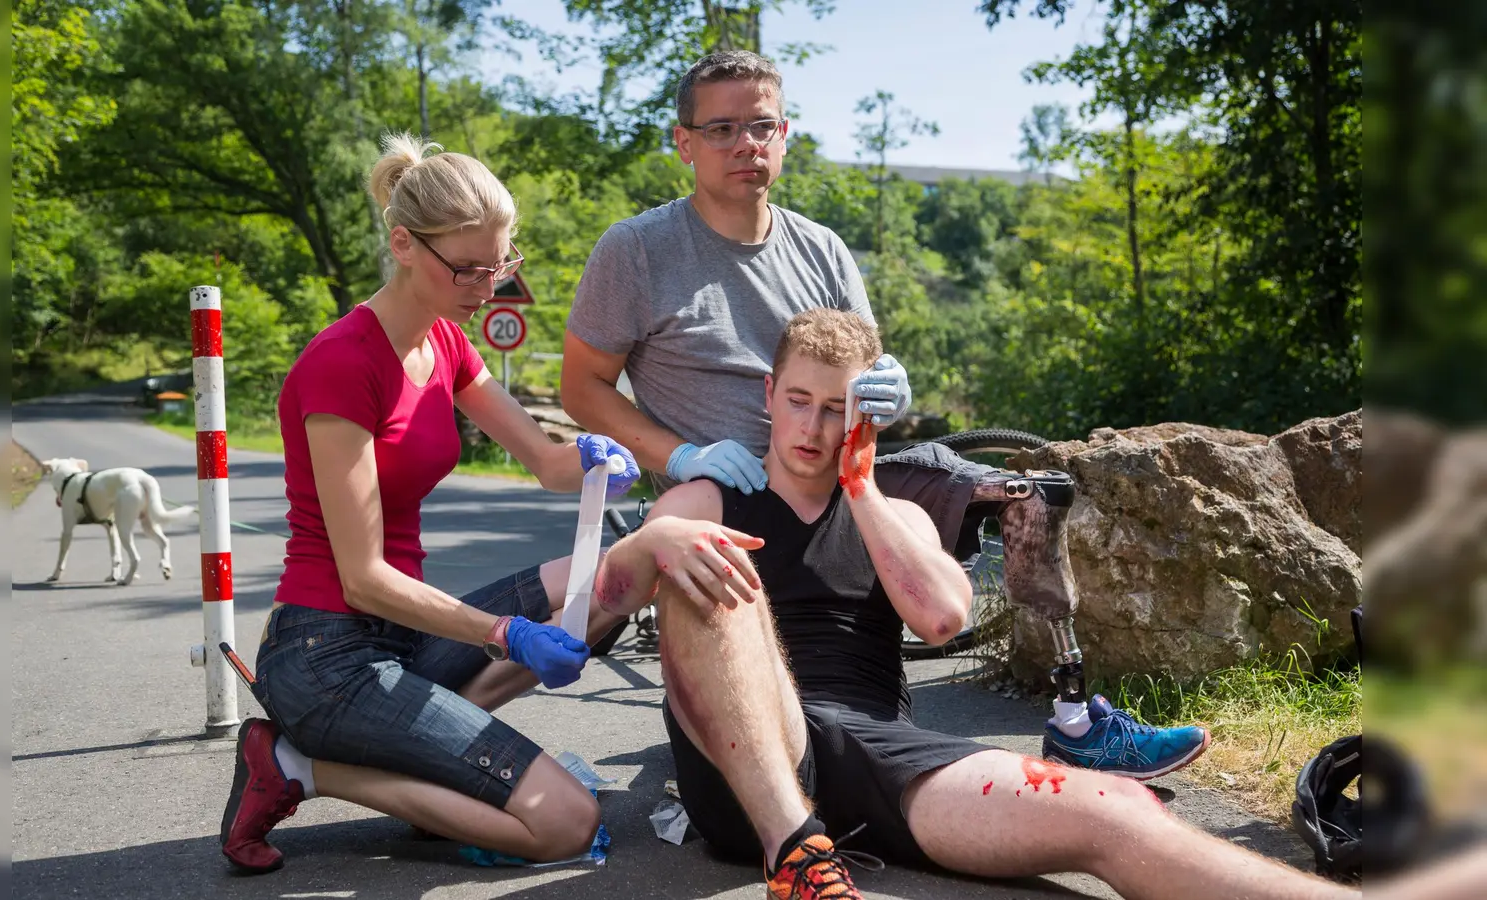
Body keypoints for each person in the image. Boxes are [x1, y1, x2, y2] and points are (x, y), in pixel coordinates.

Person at [562, 48, 1207, 779]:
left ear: (786, 134)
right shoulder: (638, 251)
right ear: (683, 143)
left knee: (1025, 492)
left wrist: (886, 389)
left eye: (762, 125)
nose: (745, 144)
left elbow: (860, 360)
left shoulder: (824, 251)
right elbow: (582, 387)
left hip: (840, 469)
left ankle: (1072, 715)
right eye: (721, 129)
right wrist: (682, 457)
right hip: (731, 486)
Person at [591, 309, 1356, 900]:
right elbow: (610, 597)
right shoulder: (707, 495)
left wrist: (861, 487)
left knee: (1116, 814)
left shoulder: (895, 511)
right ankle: (792, 847)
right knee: (699, 553)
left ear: (867, 415)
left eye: (836, 409)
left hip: (872, 752)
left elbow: (942, 618)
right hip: (746, 765)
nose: (813, 427)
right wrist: (663, 542)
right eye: (798, 401)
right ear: (768, 395)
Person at [216, 134, 641, 874]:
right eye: (468, 269)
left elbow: (544, 462)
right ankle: (297, 763)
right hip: (327, 659)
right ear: (405, 243)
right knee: (566, 822)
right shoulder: (342, 365)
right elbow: (363, 581)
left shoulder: (446, 342)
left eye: (500, 264)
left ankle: (442, 765)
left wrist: (590, 457)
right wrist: (506, 633)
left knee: (616, 579)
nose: (487, 287)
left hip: (403, 640)